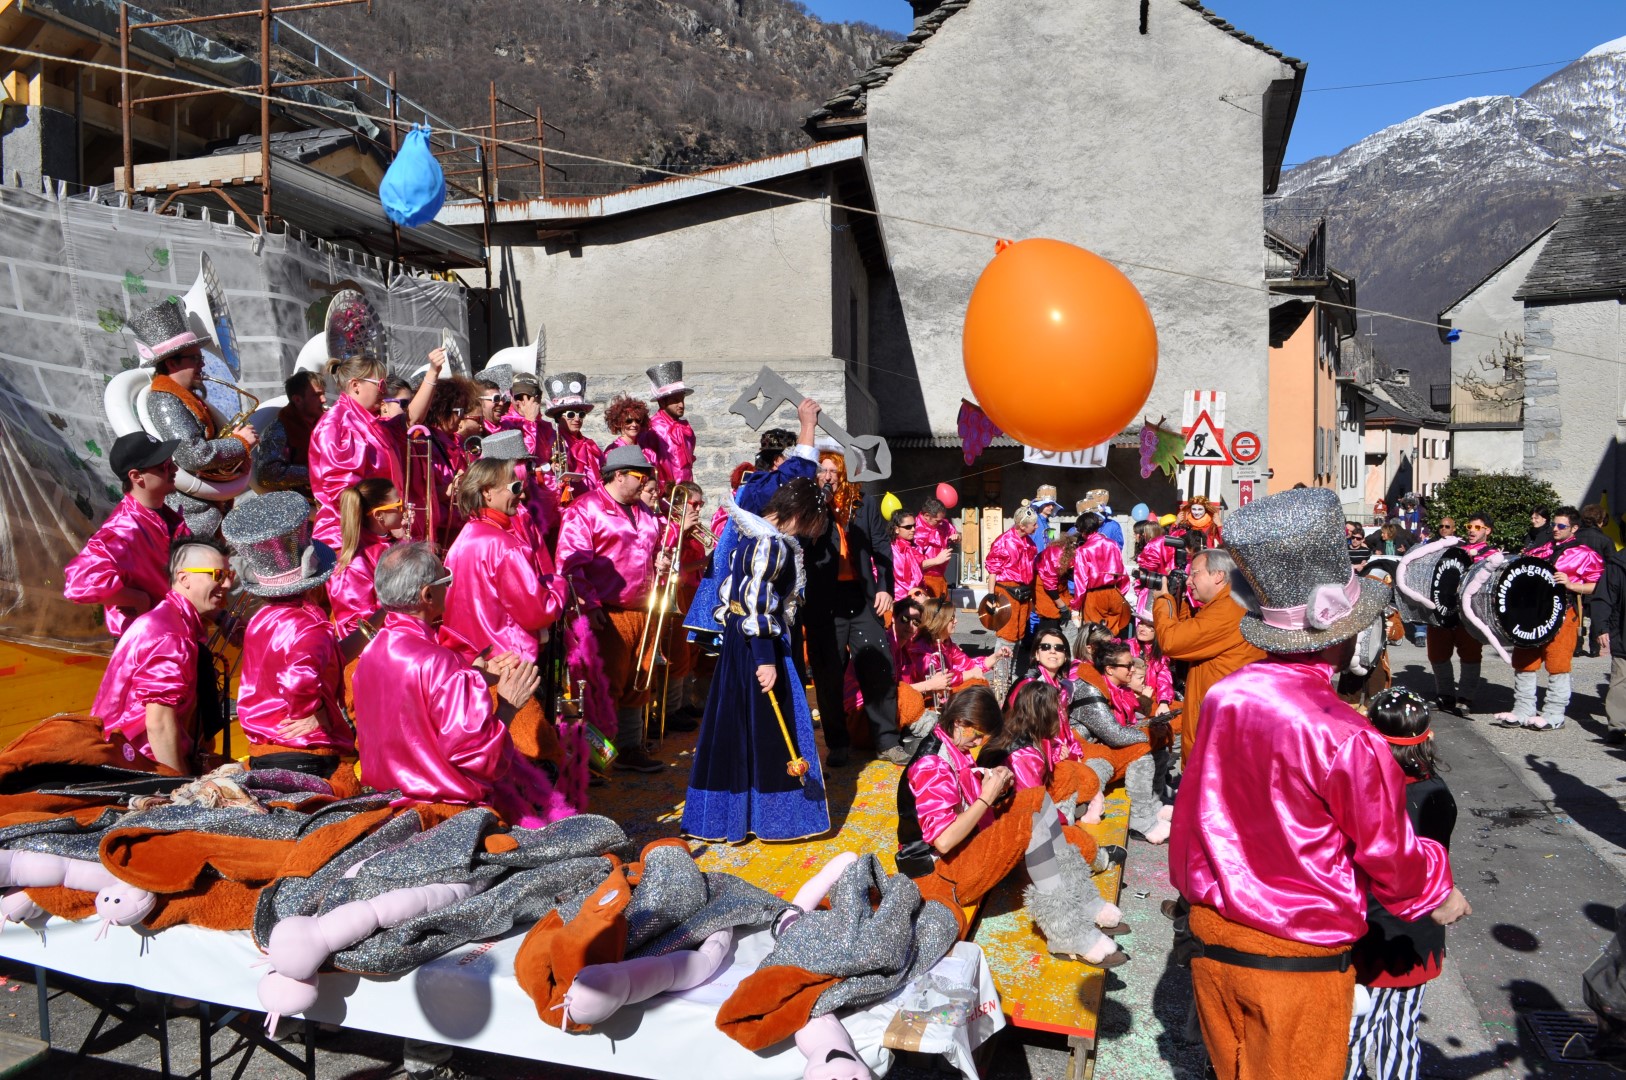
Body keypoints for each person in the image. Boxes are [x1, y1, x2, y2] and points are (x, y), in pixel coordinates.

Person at [1171, 487, 1468, 1080]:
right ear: (1343, 634)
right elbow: (1387, 849)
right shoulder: (1347, 734)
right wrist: (1438, 890)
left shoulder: (1227, 695)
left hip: (1213, 935)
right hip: (1295, 952)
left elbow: (1194, 806)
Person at [352, 542, 570, 827]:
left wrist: (473, 676)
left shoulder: (370, 653)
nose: (449, 586)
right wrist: (508, 707)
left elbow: (415, 709)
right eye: (445, 580)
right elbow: (482, 761)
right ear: (427, 595)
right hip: (444, 814)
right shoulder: (442, 663)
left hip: (386, 806)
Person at [683, 478, 831, 843]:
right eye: (809, 522)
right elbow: (758, 604)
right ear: (798, 513)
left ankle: (733, 817)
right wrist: (766, 659)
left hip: (740, 642)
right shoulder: (771, 544)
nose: (808, 532)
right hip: (758, 644)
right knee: (768, 732)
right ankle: (771, 818)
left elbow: (733, 592)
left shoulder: (749, 534)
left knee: (737, 726)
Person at [1344, 689, 1459, 1080]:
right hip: (1419, 936)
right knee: (1401, 1031)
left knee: (1354, 1032)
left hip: (1371, 931)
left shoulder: (1366, 791)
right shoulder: (1437, 793)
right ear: (1427, 737)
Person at [223, 491, 369, 781]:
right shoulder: (310, 624)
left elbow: (327, 658)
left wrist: (379, 619)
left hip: (266, 748)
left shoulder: (261, 619)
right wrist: (314, 711)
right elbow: (298, 677)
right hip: (306, 752)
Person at [556, 443, 674, 773]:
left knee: (639, 679)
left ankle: (629, 748)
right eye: (641, 476)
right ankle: (594, 759)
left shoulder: (644, 511)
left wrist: (660, 561)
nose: (646, 482)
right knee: (603, 685)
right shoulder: (585, 509)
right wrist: (590, 604)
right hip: (607, 613)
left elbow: (651, 549)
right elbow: (570, 564)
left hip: (643, 609)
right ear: (619, 475)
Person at [683, 400, 820, 648]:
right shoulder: (758, 488)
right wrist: (808, 426)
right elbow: (795, 478)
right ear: (777, 461)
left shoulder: (763, 487)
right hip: (754, 609)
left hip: (773, 602)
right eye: (788, 459)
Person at [91, 539, 233, 773]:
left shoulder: (170, 619)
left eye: (230, 575)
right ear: (184, 578)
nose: (227, 584)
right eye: (218, 575)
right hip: (137, 764)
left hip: (134, 758)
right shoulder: (171, 635)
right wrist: (182, 785)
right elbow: (159, 724)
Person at [126, 297, 258, 538]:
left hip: (209, 512)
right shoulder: (165, 400)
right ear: (171, 363)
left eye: (201, 358)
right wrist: (239, 443)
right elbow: (192, 454)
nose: (202, 365)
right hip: (194, 518)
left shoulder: (184, 397)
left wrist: (236, 455)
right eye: (195, 358)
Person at [804, 449, 901, 767]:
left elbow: (881, 546)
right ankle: (838, 744)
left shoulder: (864, 504)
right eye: (822, 470)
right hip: (824, 600)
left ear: (845, 474)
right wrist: (818, 506)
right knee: (828, 673)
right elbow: (801, 544)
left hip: (860, 596)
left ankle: (887, 741)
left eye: (833, 470)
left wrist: (885, 588)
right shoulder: (810, 505)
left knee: (877, 667)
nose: (827, 476)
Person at [307, 344, 441, 546]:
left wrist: (433, 372)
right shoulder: (337, 425)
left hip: (376, 533)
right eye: (380, 384)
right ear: (355, 385)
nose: (384, 391)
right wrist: (385, 522)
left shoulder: (371, 423)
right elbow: (344, 493)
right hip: (351, 539)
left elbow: (411, 420)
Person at [442, 457, 568, 665]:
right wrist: (558, 584)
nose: (522, 494)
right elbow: (538, 611)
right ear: (487, 492)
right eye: (515, 487)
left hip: (468, 661)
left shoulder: (465, 535)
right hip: (505, 663)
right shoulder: (505, 546)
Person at [64, 432, 186, 638]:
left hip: (175, 636)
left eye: (171, 462)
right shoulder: (122, 529)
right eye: (164, 466)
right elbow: (79, 582)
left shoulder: (168, 518)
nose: (174, 469)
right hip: (145, 645)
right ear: (136, 476)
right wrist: (139, 600)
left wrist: (221, 617)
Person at [1151, 546, 1264, 763]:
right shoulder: (1227, 603)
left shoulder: (1229, 608)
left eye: (1195, 574)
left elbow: (1172, 641)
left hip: (1221, 729)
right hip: (1222, 718)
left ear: (1219, 575)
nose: (1189, 581)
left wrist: (1164, 601)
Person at [1499, 505, 1604, 729]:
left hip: (1564, 613)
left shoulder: (1585, 554)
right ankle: (1523, 709)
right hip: (1532, 613)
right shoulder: (1540, 549)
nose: (1555, 529)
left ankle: (1554, 714)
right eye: (1554, 524)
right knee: (1524, 660)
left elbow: (1599, 586)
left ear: (1574, 528)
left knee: (1558, 663)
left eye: (1561, 526)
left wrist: (1572, 584)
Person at [1426, 513, 1495, 714]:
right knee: (1437, 653)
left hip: (1470, 613)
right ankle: (1445, 695)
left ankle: (1465, 697)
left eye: (1477, 527)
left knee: (1470, 654)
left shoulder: (1492, 555)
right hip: (1444, 608)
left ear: (1487, 530)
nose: (1471, 531)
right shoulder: (1453, 548)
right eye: (1469, 526)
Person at [327, 479, 406, 638]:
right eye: (398, 505)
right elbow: (362, 629)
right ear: (379, 515)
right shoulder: (354, 565)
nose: (404, 510)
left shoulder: (389, 542)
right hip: (384, 644)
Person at [253, 370, 325, 497]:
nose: (324, 400)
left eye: (323, 394)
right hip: (303, 502)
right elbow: (267, 474)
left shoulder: (327, 423)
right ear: (297, 400)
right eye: (317, 395)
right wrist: (318, 471)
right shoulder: (279, 429)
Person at [985, 506, 1040, 648]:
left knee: (1019, 632)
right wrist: (991, 595)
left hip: (1023, 590)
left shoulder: (1029, 542)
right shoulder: (1003, 541)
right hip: (1007, 589)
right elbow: (993, 569)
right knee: (1007, 633)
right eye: (1034, 524)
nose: (1037, 526)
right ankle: (1002, 662)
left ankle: (1013, 663)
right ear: (1022, 526)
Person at [545, 372, 604, 499]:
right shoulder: (550, 442)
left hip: (593, 502)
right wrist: (550, 469)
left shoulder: (591, 445)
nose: (577, 419)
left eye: (581, 414)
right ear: (559, 417)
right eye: (571, 414)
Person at [1073, 512, 1131, 636]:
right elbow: (1121, 571)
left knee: (1094, 634)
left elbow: (1081, 581)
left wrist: (1076, 606)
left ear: (1082, 530)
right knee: (1113, 633)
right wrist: (1121, 593)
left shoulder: (1082, 550)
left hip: (1094, 595)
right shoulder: (1113, 544)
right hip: (1114, 591)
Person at [646, 361, 696, 487]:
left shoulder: (686, 428)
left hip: (686, 491)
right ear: (662, 402)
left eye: (682, 400)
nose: (681, 405)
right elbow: (650, 465)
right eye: (675, 401)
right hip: (665, 493)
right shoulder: (653, 429)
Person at [1578, 504, 1615, 657]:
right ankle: (1594, 647)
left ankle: (1576, 646)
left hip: (1576, 580)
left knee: (1577, 614)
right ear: (1600, 520)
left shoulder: (1575, 536)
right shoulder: (1605, 540)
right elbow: (1612, 563)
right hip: (1597, 582)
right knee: (1596, 614)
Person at [1034, 524, 1078, 640]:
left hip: (1059, 584)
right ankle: (1044, 645)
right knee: (1050, 617)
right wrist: (1062, 606)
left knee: (1068, 613)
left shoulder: (1071, 554)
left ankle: (1065, 646)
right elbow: (1049, 584)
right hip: (1044, 585)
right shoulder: (1056, 555)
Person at [914, 497, 959, 599]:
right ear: (927, 516)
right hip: (923, 580)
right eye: (937, 521)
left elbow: (955, 533)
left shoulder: (943, 524)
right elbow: (912, 565)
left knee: (945, 608)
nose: (940, 523)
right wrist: (936, 560)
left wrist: (957, 537)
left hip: (940, 577)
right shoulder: (915, 530)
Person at [603, 394, 661, 470]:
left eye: (638, 420)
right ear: (619, 423)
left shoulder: (648, 451)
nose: (634, 424)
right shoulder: (612, 451)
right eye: (628, 421)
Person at [891, 510, 926, 601]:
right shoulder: (889, 549)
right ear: (896, 529)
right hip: (897, 599)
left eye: (914, 525)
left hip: (917, 597)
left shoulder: (916, 548)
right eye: (908, 527)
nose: (913, 529)